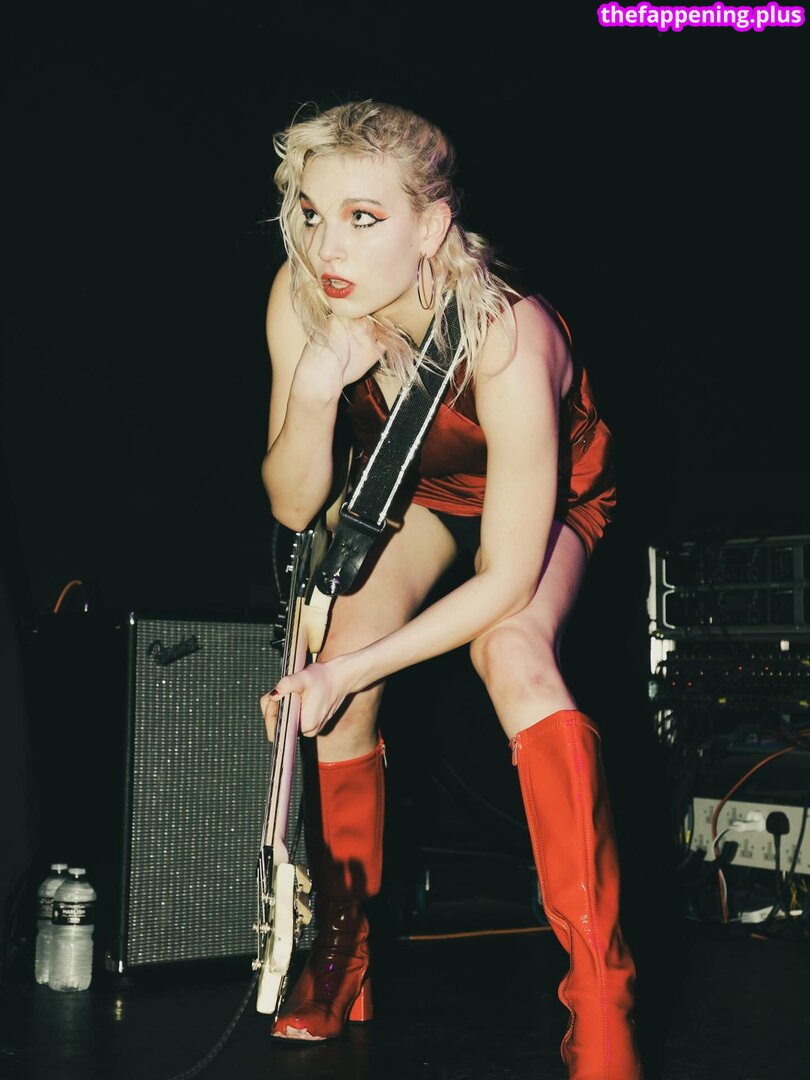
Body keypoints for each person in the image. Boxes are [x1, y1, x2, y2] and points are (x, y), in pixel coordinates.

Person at [259, 99, 642, 1079]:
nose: (327, 245)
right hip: (421, 493)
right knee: (341, 660)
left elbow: (507, 577)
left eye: (364, 218)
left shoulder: (509, 332)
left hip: (555, 501)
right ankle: (342, 953)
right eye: (312, 212)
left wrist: (347, 671)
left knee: (510, 651)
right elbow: (295, 503)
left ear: (430, 225)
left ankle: (600, 997)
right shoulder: (302, 297)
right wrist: (315, 389)